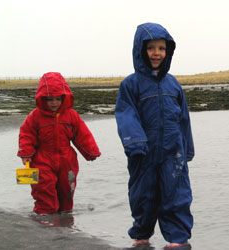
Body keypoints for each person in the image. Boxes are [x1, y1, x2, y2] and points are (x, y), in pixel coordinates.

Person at [115, 23, 194, 249]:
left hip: (172, 153)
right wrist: (135, 142)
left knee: (177, 195)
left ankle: (178, 239)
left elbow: (184, 119)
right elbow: (125, 114)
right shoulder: (131, 84)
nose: (157, 53)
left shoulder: (173, 84)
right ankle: (141, 236)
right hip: (143, 154)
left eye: (161, 48)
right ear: (141, 50)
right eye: (151, 48)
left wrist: (186, 148)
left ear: (167, 51)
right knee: (143, 196)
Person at [18, 72, 101, 214]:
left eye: (58, 99)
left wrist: (91, 151)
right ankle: (45, 220)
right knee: (44, 190)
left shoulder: (71, 115)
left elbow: (82, 135)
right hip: (42, 159)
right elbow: (26, 135)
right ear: (42, 99)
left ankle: (65, 221)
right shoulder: (35, 116)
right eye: (50, 99)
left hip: (66, 159)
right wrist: (26, 154)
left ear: (64, 98)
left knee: (67, 190)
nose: (54, 103)